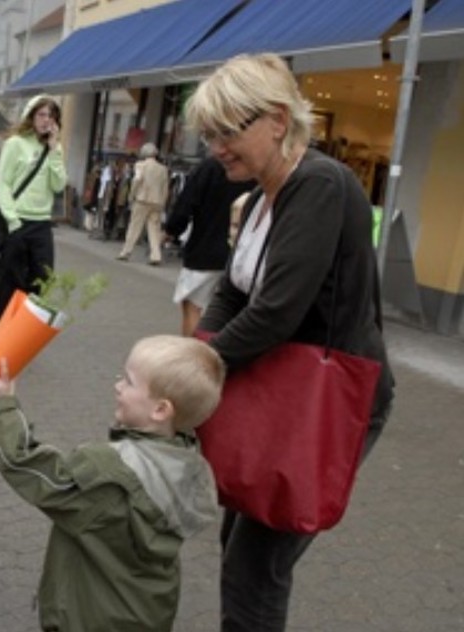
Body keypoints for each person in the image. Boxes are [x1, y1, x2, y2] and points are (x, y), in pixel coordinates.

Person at [185, 53, 395, 632]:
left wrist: (193, 364)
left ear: (277, 120)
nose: (217, 148)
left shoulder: (320, 184)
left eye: (228, 131)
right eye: (210, 135)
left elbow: (276, 312)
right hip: (284, 393)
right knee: (241, 546)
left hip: (328, 402)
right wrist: (197, 351)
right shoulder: (258, 199)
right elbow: (232, 293)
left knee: (257, 566)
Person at [0, 335, 225, 632]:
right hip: (148, 612)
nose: (117, 386)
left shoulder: (108, 470)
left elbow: (28, 467)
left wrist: (3, 405)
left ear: (160, 410)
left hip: (90, 618)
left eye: (129, 382)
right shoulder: (188, 460)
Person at [0, 94, 66, 325]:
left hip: (42, 224)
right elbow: (3, 182)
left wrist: (54, 151)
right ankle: (2, 330)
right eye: (42, 115)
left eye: (52, 116)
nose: (47, 120)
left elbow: (58, 185)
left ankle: (23, 329)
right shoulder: (15, 144)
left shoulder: (55, 148)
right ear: (31, 117)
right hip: (18, 222)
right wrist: (12, 219)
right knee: (11, 280)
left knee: (43, 280)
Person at [163, 157, 256, 336]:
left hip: (205, 248)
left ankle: (194, 355)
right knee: (231, 309)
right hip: (242, 251)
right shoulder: (256, 166)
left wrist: (171, 230)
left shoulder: (211, 166)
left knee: (193, 305)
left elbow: (186, 203)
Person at [117, 142, 168, 265]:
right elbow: (165, 188)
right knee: (154, 229)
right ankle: (156, 255)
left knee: (135, 226)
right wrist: (163, 202)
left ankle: (126, 252)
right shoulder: (163, 169)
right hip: (157, 201)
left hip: (142, 199)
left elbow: (137, 180)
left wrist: (131, 195)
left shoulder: (140, 165)